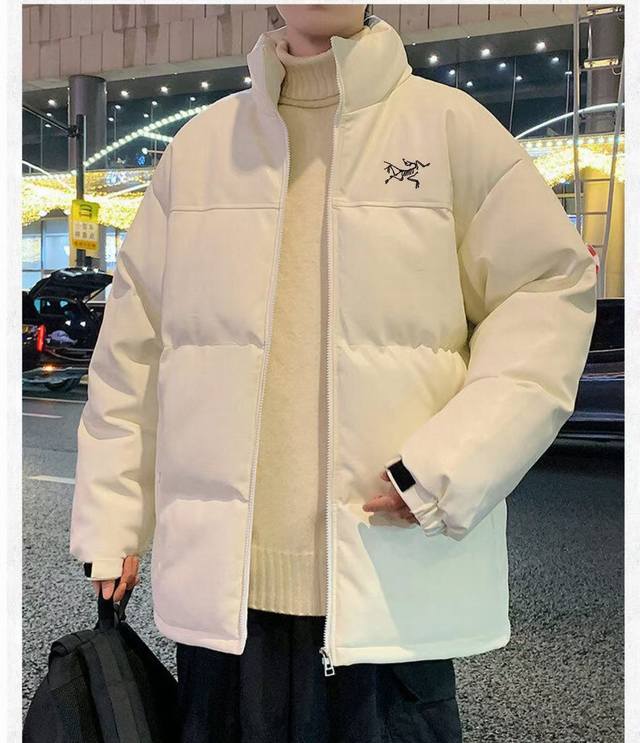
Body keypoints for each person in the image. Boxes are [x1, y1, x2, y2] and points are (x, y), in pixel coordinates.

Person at [69, 4, 598, 742]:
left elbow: (547, 292)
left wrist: (449, 465)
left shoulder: (450, 130)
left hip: (388, 599)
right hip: (224, 606)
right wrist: (113, 515)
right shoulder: (200, 150)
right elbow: (136, 346)